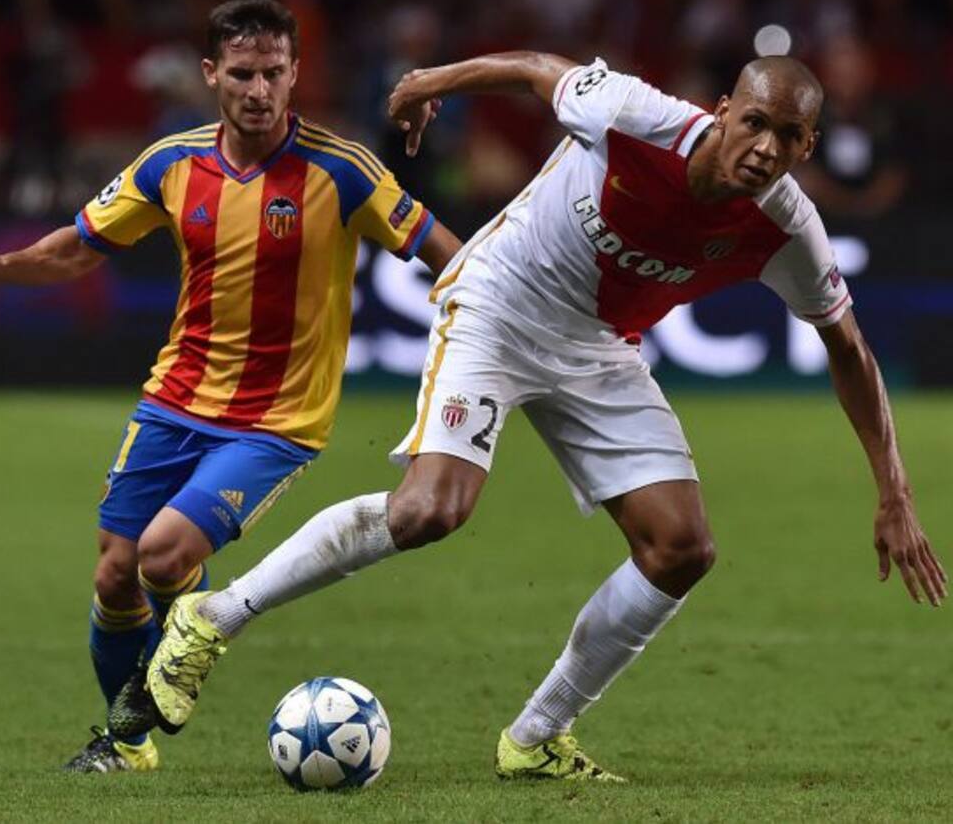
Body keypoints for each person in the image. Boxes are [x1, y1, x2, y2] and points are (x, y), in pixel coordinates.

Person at [107, 49, 947, 781]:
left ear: (807, 147)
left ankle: (537, 737)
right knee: (432, 510)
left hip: (598, 347)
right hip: (501, 303)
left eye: (787, 137)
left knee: (681, 548)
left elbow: (849, 349)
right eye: (754, 123)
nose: (764, 148)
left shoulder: (788, 227)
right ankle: (213, 618)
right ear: (724, 111)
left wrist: (894, 492)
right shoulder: (636, 116)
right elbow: (539, 69)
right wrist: (430, 82)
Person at [0, 0, 460, 773]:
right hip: (174, 398)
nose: (259, 90)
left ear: (296, 73)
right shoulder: (170, 164)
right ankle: (128, 742)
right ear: (211, 74)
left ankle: (191, 636)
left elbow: (451, 258)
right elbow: (80, 247)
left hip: (276, 421)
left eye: (273, 72)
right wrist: (0, 267)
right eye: (242, 73)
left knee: (161, 554)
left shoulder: (343, 171)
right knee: (115, 575)